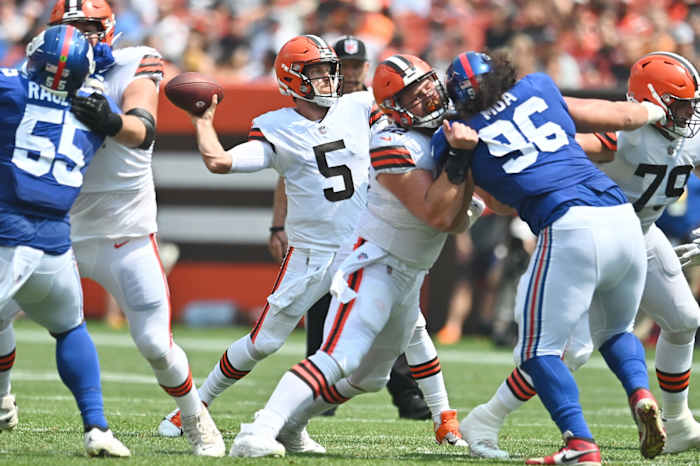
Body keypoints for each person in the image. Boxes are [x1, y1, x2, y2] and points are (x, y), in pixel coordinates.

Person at [0, 0, 226, 457]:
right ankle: (4, 401)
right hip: (56, 227)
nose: (80, 37)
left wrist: (107, 120)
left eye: (89, 27)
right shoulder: (38, 68)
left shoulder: (134, 60)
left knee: (154, 344)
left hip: (122, 226)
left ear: (108, 30)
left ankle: (196, 418)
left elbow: (142, 128)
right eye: (71, 28)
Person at [228, 53, 481, 458]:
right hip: (376, 265)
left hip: (410, 272)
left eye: (427, 86)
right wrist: (463, 162)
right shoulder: (391, 141)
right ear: (394, 107)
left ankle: (291, 427)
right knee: (337, 357)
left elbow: (464, 214)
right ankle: (258, 430)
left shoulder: (446, 133)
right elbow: (439, 216)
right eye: (412, 97)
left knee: (371, 379)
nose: (427, 98)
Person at [432, 51, 669, 464]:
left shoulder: (457, 131)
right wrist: (653, 109)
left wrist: (463, 156)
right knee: (616, 331)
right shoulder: (537, 86)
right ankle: (641, 393)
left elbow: (488, 208)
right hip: (622, 217)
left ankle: (580, 443)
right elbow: (614, 115)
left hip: (570, 225)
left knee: (535, 352)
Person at [158, 34, 384, 454]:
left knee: (390, 344)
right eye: (315, 72)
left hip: (360, 251)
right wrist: (203, 123)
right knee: (264, 342)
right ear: (292, 79)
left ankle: (444, 419)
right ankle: (192, 407)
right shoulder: (277, 126)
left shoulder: (358, 106)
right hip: (311, 254)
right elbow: (220, 162)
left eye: (327, 70)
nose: (327, 79)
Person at [270, 34, 430, 420]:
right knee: (322, 308)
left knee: (398, 309)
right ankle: (314, 394)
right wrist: (278, 224)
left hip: (378, 223)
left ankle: (408, 393)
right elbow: (289, 174)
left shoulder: (379, 107)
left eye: (358, 65)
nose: (353, 72)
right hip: (330, 229)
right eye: (346, 65)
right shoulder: (316, 110)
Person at [0, 24, 129, 457]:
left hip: (6, 234)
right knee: (70, 327)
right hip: (55, 244)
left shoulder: (10, 89)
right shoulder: (98, 112)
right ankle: (97, 427)